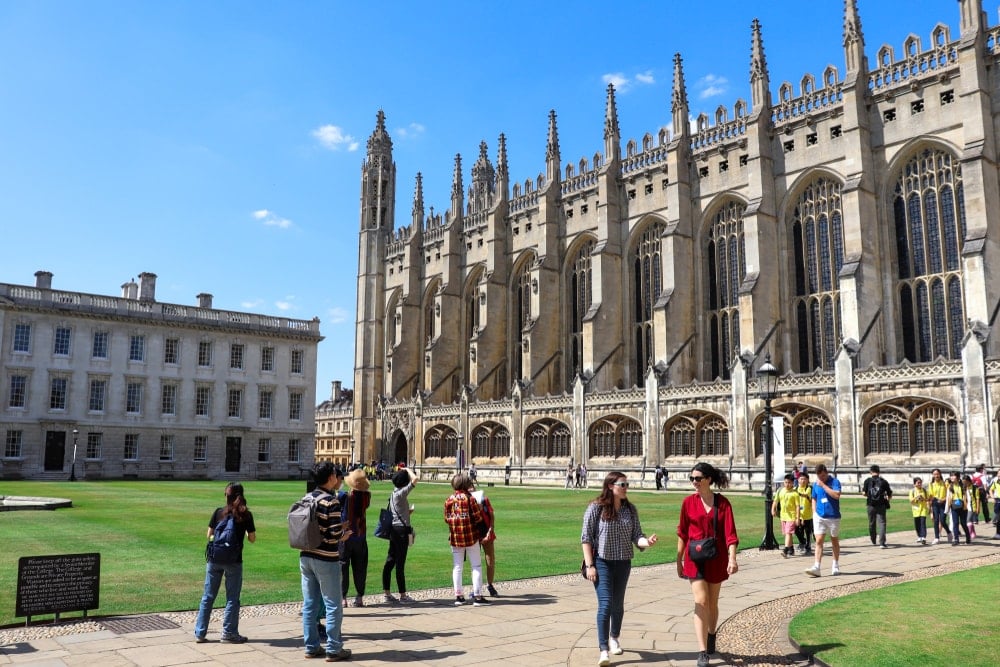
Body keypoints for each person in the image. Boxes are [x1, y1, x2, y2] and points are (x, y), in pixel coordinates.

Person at [583, 471, 657, 667]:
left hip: (623, 563)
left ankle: (614, 637)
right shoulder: (595, 508)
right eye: (622, 484)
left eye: (626, 484)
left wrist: (647, 542)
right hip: (602, 562)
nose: (626, 488)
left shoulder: (630, 510)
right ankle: (603, 649)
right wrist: (590, 565)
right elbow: (586, 538)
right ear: (610, 486)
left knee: (618, 604)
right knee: (606, 604)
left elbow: (637, 536)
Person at [675, 463, 736, 667]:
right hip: (694, 558)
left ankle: (711, 634)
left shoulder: (723, 503)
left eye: (698, 478)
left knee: (712, 602)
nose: (694, 482)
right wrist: (678, 559)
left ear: (709, 479)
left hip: (717, 557)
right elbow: (682, 532)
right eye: (691, 478)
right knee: (701, 601)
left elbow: (731, 535)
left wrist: (733, 558)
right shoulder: (687, 503)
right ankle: (702, 651)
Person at [299, 462, 351, 661]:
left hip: (305, 555)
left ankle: (311, 646)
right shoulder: (331, 501)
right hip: (326, 558)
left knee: (310, 604)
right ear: (330, 477)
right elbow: (334, 534)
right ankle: (334, 648)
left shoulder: (306, 497)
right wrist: (343, 534)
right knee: (333, 604)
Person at [194, 482, 256, 643]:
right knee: (232, 598)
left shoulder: (218, 512)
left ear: (226, 496)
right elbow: (252, 539)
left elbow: (209, 535)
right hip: (234, 560)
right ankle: (228, 633)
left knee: (208, 596)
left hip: (215, 559)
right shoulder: (245, 514)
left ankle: (200, 633)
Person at [444, 472, 489, 606]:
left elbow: (446, 519)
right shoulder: (470, 499)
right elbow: (478, 518)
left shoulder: (449, 500)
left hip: (456, 538)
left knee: (457, 567)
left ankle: (459, 596)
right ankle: (478, 597)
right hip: (471, 537)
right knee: (476, 565)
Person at [382, 467, 418, 604]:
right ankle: (403, 596)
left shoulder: (394, 493)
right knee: (400, 563)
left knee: (390, 560)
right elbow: (415, 480)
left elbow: (396, 513)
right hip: (402, 531)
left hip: (395, 529)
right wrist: (408, 469)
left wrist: (407, 513)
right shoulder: (401, 493)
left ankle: (387, 593)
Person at [340, 468, 371, 608]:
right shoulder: (366, 497)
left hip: (346, 537)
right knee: (360, 568)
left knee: (343, 567)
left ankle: (343, 597)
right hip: (360, 536)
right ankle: (359, 597)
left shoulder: (344, 496)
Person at [805, 463, 842, 577]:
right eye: (819, 477)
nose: (821, 479)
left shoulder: (834, 482)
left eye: (823, 476)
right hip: (820, 516)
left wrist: (824, 486)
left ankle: (835, 565)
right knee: (819, 540)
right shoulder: (816, 484)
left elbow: (836, 495)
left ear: (826, 473)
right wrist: (814, 511)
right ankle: (817, 566)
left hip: (833, 516)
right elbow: (814, 498)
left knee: (834, 540)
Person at [471, 486, 499, 596]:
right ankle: (476, 589)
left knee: (490, 561)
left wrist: (490, 530)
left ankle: (490, 585)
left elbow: (491, 516)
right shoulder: (467, 502)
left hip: (487, 533)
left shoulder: (485, 500)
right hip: (474, 535)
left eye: (472, 489)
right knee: (475, 564)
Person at [862, 464, 893, 548]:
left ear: (870, 472)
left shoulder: (867, 481)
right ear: (879, 472)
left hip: (870, 505)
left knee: (872, 523)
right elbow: (889, 494)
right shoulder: (884, 481)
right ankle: (882, 543)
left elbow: (864, 493)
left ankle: (873, 539)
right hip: (881, 505)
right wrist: (887, 498)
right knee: (882, 523)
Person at [772, 473, 800, 558]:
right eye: (786, 482)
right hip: (783, 516)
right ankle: (791, 549)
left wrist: (797, 518)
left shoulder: (795, 494)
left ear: (792, 483)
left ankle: (785, 550)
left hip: (791, 516)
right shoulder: (780, 491)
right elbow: (776, 501)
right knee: (788, 533)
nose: (787, 484)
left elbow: (798, 507)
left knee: (788, 532)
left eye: (789, 482)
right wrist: (773, 509)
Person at [944, 471, 970, 546]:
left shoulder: (963, 486)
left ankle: (968, 537)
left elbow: (968, 497)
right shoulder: (950, 486)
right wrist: (947, 509)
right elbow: (948, 498)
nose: (952, 477)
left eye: (953, 476)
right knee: (955, 523)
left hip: (963, 507)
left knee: (963, 523)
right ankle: (956, 539)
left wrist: (968, 507)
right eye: (951, 476)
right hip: (954, 506)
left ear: (958, 477)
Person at [927, 468, 950, 544]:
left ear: (940, 474)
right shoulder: (931, 484)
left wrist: (943, 499)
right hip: (935, 503)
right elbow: (930, 497)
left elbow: (948, 494)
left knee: (943, 520)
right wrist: (929, 508)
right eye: (934, 474)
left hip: (943, 503)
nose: (936, 475)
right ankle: (937, 537)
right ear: (932, 475)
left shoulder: (945, 483)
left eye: (937, 474)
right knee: (936, 520)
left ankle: (949, 532)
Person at [794, 472, 814, 555]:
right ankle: (802, 542)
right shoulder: (795, 489)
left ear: (808, 480)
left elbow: (808, 497)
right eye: (801, 479)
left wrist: (803, 495)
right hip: (798, 514)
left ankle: (808, 546)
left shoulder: (809, 488)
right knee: (797, 530)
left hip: (808, 514)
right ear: (798, 480)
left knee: (807, 531)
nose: (803, 481)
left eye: (805, 479)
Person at [908, 477, 930, 544]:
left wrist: (923, 498)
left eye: (920, 482)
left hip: (923, 509)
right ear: (914, 484)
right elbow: (911, 501)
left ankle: (923, 537)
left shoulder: (924, 491)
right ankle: (919, 536)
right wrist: (916, 497)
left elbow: (927, 499)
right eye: (918, 483)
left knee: (923, 523)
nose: (919, 484)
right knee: (917, 524)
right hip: (916, 510)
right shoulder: (912, 491)